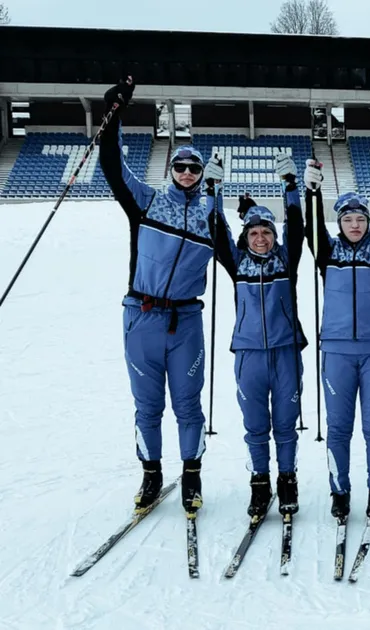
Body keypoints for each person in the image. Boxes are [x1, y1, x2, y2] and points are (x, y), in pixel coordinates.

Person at [99, 77, 224, 517]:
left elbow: (242, 261)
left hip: (186, 322)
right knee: (147, 405)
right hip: (142, 318)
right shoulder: (147, 203)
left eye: (194, 168)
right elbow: (112, 166)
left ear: (202, 174)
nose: (187, 173)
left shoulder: (212, 216)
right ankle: (151, 475)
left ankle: (191, 475)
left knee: (188, 404)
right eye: (181, 166)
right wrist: (113, 112)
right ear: (171, 169)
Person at [208, 154, 307, 519]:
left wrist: (290, 186)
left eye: (266, 231)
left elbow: (297, 225)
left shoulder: (286, 260)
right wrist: (213, 190)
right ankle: (260, 482)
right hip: (248, 352)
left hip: (285, 350)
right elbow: (214, 226)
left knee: (285, 422)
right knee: (255, 424)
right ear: (245, 236)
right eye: (254, 232)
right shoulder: (237, 262)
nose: (261, 238)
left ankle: (287, 480)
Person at [305, 162, 370, 521]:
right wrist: (312, 192)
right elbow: (310, 228)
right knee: (339, 427)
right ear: (339, 223)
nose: (355, 225)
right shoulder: (328, 253)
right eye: (348, 220)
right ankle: (340, 491)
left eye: (360, 218)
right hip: (336, 351)